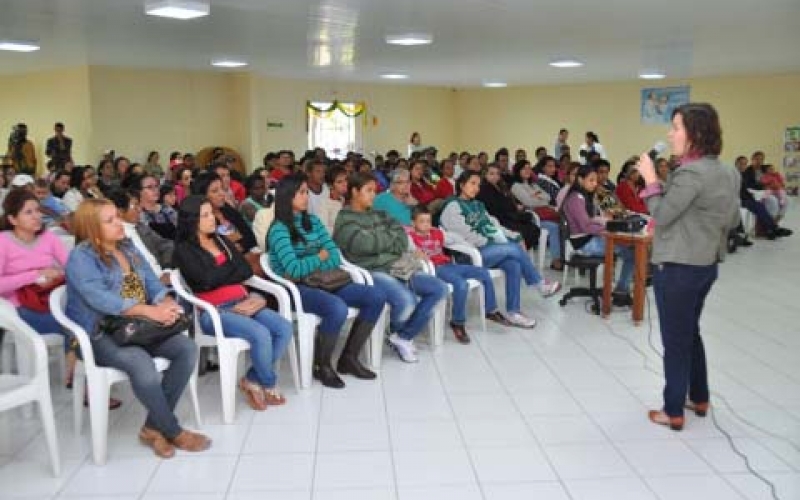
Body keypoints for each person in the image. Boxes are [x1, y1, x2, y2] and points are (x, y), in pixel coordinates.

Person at [65, 198, 210, 457]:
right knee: (141, 363)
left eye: (117, 216)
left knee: (186, 349)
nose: (119, 223)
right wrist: (147, 310)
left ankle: (153, 428)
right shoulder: (81, 257)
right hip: (100, 332)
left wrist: (164, 303)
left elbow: (152, 283)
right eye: (109, 221)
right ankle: (173, 431)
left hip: (136, 326)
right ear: (91, 228)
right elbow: (100, 299)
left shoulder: (128, 247)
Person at [636, 103, 741, 430]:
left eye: (676, 128)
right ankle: (699, 395)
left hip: (678, 267)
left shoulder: (691, 173)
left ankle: (673, 410)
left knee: (676, 340)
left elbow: (663, 214)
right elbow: (733, 219)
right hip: (705, 265)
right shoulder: (727, 171)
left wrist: (651, 180)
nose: (670, 134)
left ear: (694, 134)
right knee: (690, 332)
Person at [267, 175, 387, 388]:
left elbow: (333, 255)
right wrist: (319, 257)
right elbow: (293, 270)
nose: (306, 197)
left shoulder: (312, 221)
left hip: (325, 282)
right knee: (337, 308)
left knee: (376, 296)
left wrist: (314, 261)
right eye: (301, 193)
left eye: (306, 192)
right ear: (287, 197)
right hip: (296, 288)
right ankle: (322, 366)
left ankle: (349, 358)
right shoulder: (279, 229)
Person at [174, 195, 292, 410]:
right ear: (192, 220)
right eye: (206, 215)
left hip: (243, 301)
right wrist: (230, 270)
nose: (212, 219)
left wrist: (222, 273)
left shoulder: (221, 240)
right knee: (261, 334)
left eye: (212, 213)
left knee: (283, 327)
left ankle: (252, 379)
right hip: (214, 312)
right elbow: (205, 281)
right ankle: (268, 383)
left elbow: (245, 270)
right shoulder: (184, 249)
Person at [333, 172, 448, 363]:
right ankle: (399, 333)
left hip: (397, 264)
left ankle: (402, 336)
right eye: (368, 190)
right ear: (354, 192)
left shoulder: (380, 214)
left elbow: (401, 239)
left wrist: (379, 240)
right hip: (372, 270)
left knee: (439, 289)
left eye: (374, 190)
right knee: (407, 301)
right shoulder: (345, 218)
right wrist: (387, 240)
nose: (373, 195)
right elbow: (361, 245)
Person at [440, 171, 560, 329]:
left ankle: (514, 312)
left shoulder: (478, 205)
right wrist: (492, 242)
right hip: (469, 255)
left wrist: (514, 236)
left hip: (488, 251)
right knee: (513, 249)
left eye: (478, 185)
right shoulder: (452, 206)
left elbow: (494, 226)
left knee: (513, 264)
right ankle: (539, 283)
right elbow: (465, 236)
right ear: (462, 185)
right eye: (472, 183)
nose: (476, 188)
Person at [406, 206, 509, 344]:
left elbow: (453, 239)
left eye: (428, 221)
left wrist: (467, 245)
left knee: (483, 273)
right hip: (435, 269)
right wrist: (415, 252)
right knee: (461, 284)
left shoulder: (436, 233)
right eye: (422, 221)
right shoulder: (410, 237)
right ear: (413, 223)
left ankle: (490, 310)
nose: (426, 225)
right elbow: (407, 248)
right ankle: (457, 322)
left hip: (449, 265)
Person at [562, 165, 636, 306]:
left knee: (629, 249)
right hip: (584, 244)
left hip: (589, 239)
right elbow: (586, 226)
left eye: (595, 181)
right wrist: (607, 227)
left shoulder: (583, 196)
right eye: (591, 180)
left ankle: (621, 290)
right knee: (631, 252)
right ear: (580, 179)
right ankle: (621, 291)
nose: (595, 184)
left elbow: (590, 220)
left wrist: (604, 222)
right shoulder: (576, 198)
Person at [110, 190, 174, 282]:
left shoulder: (140, 226)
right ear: (120, 212)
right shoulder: (115, 240)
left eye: (138, 205)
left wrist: (167, 269)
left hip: (165, 275)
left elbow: (166, 245)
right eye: (135, 206)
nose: (140, 209)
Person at [511, 160, 563, 269]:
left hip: (543, 213)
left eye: (529, 168)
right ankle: (556, 260)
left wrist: (535, 197)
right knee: (554, 227)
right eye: (524, 168)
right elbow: (528, 202)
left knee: (563, 224)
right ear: (518, 170)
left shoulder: (533, 184)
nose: (528, 171)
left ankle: (563, 257)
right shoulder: (516, 186)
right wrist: (537, 198)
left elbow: (548, 197)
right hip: (532, 218)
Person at [477, 164, 541, 250]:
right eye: (491, 174)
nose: (495, 176)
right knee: (527, 229)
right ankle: (518, 250)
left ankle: (521, 251)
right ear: (485, 175)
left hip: (508, 216)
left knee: (532, 227)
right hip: (498, 220)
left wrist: (514, 207)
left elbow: (509, 202)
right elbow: (496, 207)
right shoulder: (484, 189)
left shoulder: (501, 186)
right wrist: (514, 209)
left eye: (497, 174)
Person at [312, 166, 347, 235]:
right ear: (330, 186)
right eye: (339, 182)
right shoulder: (324, 205)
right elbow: (324, 232)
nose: (345, 184)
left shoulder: (343, 199)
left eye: (346, 179)